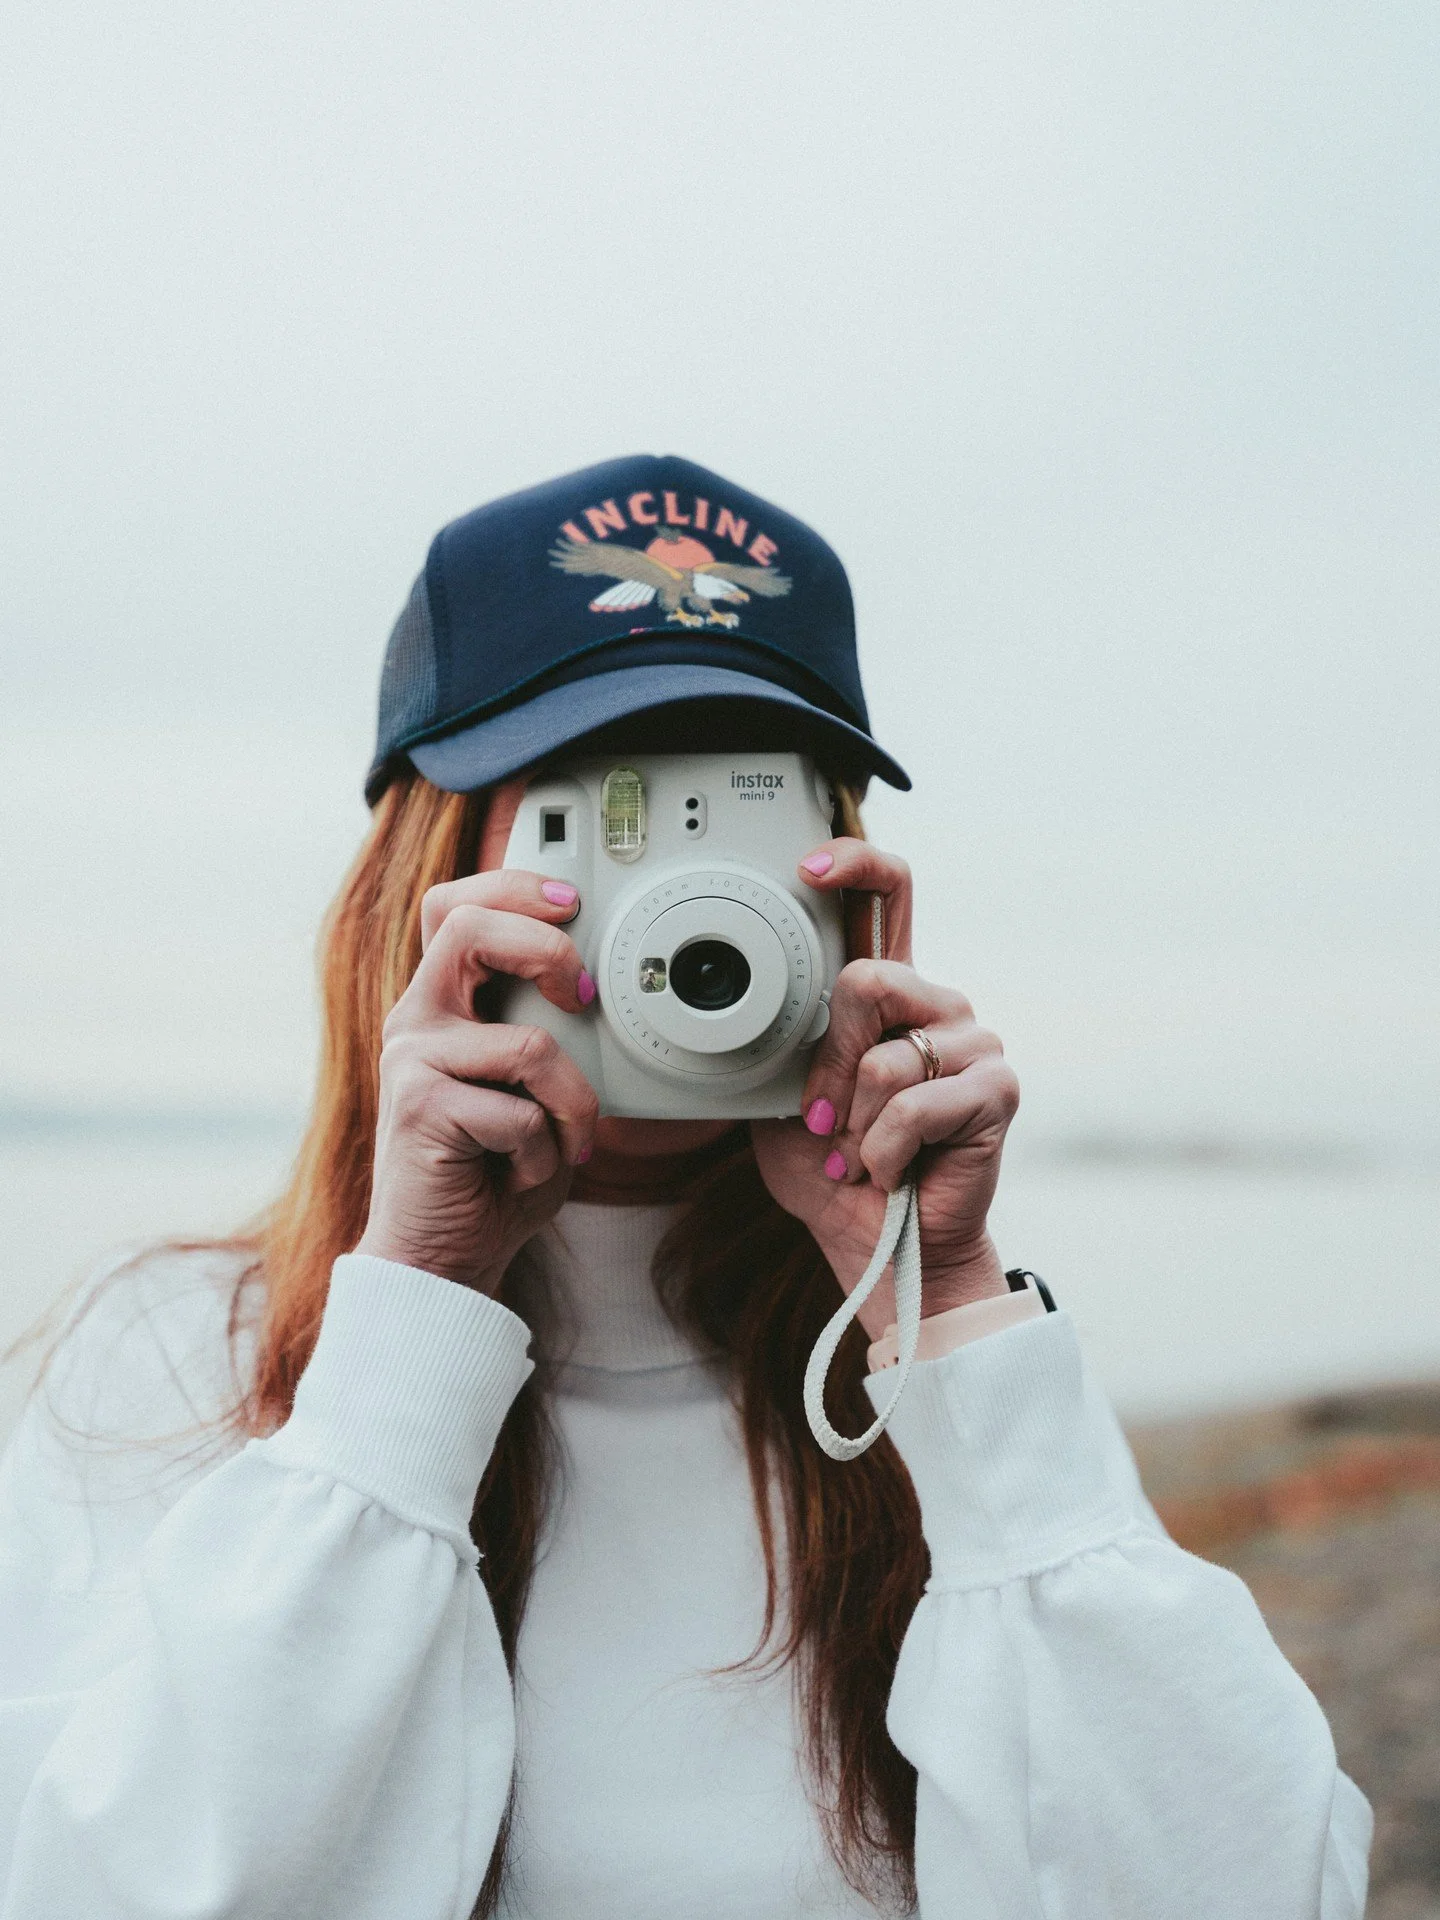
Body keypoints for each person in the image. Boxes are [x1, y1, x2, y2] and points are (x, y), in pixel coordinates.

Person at [0, 455, 1371, 1918]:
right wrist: (405, 1332)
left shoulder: (932, 1386)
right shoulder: (171, 1359)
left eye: (742, 813)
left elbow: (1251, 1889)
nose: (682, 904)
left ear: (845, 877)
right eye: (608, 818)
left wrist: (949, 1316)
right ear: (421, 879)